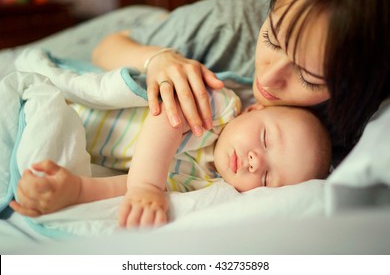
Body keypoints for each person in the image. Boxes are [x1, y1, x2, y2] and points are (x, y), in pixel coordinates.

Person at [91, 0, 390, 159]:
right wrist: (157, 59)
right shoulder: (225, 26)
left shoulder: (364, 119)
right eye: (272, 39)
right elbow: (105, 47)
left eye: (310, 77)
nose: (269, 78)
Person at [9, 87, 331, 228]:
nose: (254, 161)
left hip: (80, 140)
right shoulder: (216, 108)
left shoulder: (205, 184)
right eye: (264, 139)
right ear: (252, 110)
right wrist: (147, 187)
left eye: (265, 178)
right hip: (80, 107)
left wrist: (77, 190)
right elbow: (167, 118)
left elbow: (132, 189)